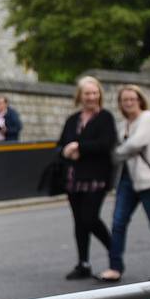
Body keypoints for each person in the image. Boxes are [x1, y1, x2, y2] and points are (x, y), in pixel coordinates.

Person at [100, 84, 150, 282]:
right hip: (128, 180)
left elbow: (136, 143)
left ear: (140, 100)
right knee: (118, 223)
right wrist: (119, 152)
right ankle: (115, 267)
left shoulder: (148, 118)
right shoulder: (120, 125)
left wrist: (119, 152)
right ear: (120, 104)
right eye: (125, 100)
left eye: (132, 99)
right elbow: (120, 150)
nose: (129, 103)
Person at [56, 76, 116, 280]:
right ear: (80, 96)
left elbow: (106, 143)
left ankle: (115, 252)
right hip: (74, 179)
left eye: (94, 93)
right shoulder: (72, 120)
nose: (91, 97)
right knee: (79, 222)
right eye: (87, 93)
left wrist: (79, 147)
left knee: (90, 218)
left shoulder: (105, 117)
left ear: (99, 94)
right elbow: (61, 144)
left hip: (96, 178)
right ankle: (83, 263)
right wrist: (65, 151)